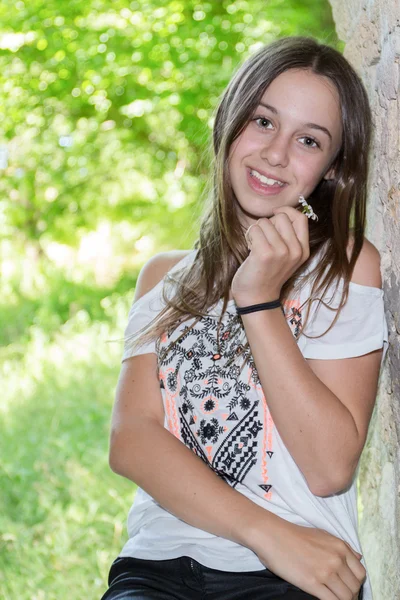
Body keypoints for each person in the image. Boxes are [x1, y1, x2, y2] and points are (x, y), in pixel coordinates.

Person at [101, 36, 389, 600]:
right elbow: (131, 440)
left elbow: (329, 466)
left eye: (308, 140)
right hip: (162, 564)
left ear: (332, 171)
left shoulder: (347, 267)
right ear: (231, 123)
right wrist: (265, 532)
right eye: (263, 121)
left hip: (300, 577)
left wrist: (259, 299)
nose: (276, 153)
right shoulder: (164, 277)